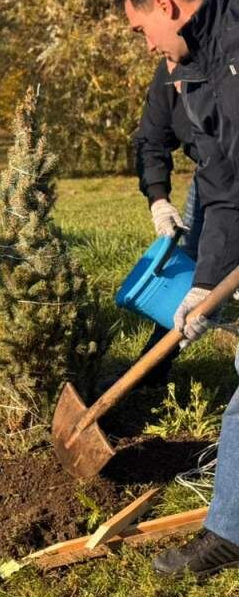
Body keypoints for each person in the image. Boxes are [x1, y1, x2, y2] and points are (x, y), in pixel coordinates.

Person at [116, 0, 239, 576]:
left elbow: (234, 188)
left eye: (141, 29)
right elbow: (211, 177)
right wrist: (161, 203)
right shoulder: (190, 58)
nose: (144, 44)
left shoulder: (233, 56)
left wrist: (211, 280)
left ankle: (228, 532)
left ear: (165, 4)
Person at [121, 57, 204, 388]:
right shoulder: (169, 67)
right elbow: (152, 138)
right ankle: (151, 368)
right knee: (192, 276)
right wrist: (159, 200)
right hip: (211, 174)